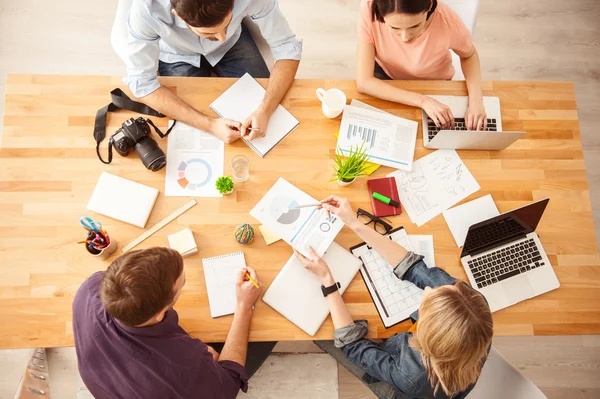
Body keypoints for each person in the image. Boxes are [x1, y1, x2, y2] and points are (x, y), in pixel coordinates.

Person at [295, 196, 493, 399]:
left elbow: (352, 346)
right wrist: (353, 221)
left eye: (426, 303)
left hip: (404, 391)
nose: (428, 289)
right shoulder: (471, 305)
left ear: (425, 333)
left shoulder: (411, 375)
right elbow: (414, 267)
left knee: (324, 334)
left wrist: (327, 279)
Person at [73, 247, 274, 399]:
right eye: (181, 284)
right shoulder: (184, 370)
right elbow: (229, 383)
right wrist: (244, 305)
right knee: (267, 335)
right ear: (161, 313)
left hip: (115, 383)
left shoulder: (90, 289)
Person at [124, 0, 302, 143]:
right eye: (209, 34)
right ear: (178, 16)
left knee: (265, 105)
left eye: (226, 24)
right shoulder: (146, 9)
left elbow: (286, 46)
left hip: (235, 42)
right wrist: (210, 126)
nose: (220, 38)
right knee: (188, 125)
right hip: (176, 54)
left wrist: (265, 110)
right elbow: (142, 84)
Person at [356, 0, 487, 130]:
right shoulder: (369, 9)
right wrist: (423, 101)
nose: (405, 37)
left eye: (414, 26)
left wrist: (476, 102)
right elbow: (364, 82)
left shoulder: (448, 22)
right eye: (394, 28)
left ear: (429, 5)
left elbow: (469, 55)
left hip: (432, 83)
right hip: (387, 76)